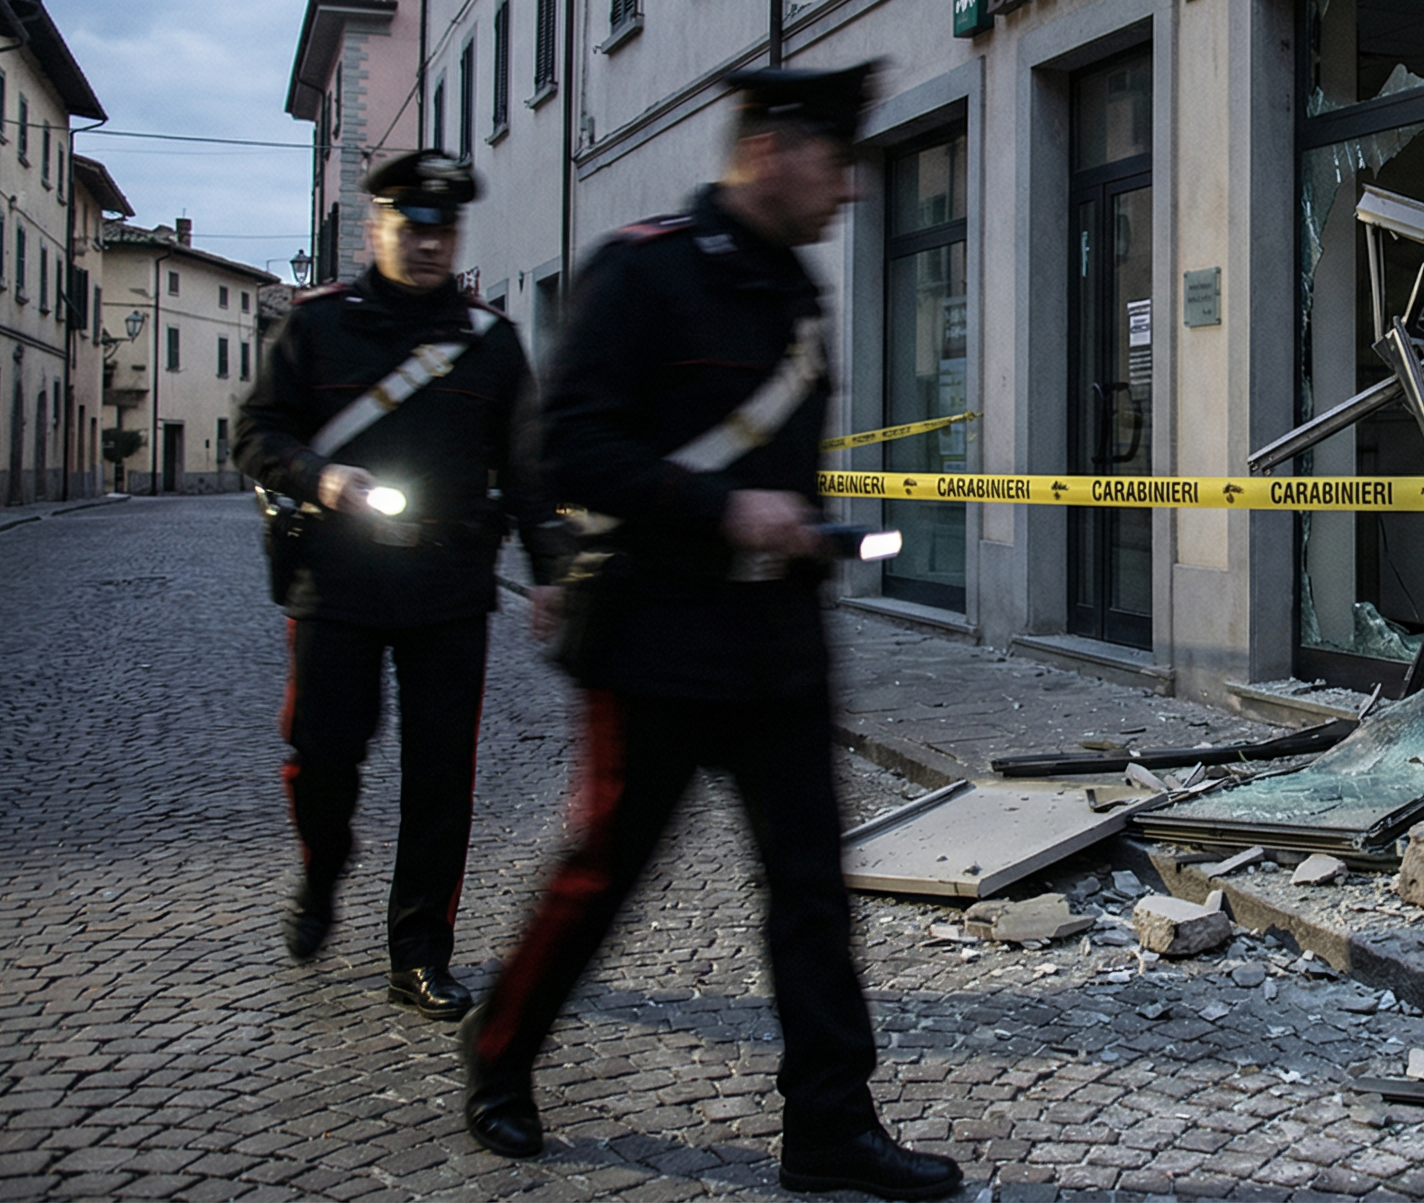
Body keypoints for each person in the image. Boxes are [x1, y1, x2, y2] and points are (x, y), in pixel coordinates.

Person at [457, 65, 961, 1200]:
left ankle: (830, 1125)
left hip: (777, 640)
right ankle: (498, 1053)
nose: (851, 191)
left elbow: (773, 463)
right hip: (654, 638)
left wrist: (805, 528)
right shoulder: (642, 271)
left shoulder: (795, 293)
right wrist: (725, 510)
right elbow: (570, 451)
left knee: (812, 890)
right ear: (771, 149)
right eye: (836, 163)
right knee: (603, 874)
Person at [235, 152, 568, 1020]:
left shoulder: (489, 342)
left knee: (440, 777)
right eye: (412, 227)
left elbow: (526, 469)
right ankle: (321, 870)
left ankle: (417, 952)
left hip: (447, 580)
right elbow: (257, 435)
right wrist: (321, 478)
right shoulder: (316, 328)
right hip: (337, 578)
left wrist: (551, 574)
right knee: (324, 759)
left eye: (443, 230)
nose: (428, 244)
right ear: (377, 226)